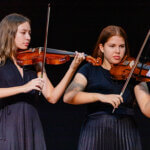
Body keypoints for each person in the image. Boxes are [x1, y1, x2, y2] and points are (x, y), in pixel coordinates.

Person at [0, 13, 85, 150]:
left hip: (32, 125)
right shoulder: (1, 61)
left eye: (29, 33)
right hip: (9, 126)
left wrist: (72, 68)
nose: (28, 37)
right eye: (23, 33)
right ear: (9, 33)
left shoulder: (35, 62)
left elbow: (53, 97)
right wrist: (24, 87)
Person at [63, 25, 150, 150]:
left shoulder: (134, 72)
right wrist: (101, 96)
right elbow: (69, 96)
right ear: (102, 48)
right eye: (112, 46)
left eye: (121, 46)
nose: (117, 51)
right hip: (95, 132)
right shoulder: (89, 69)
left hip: (126, 133)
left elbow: (146, 106)